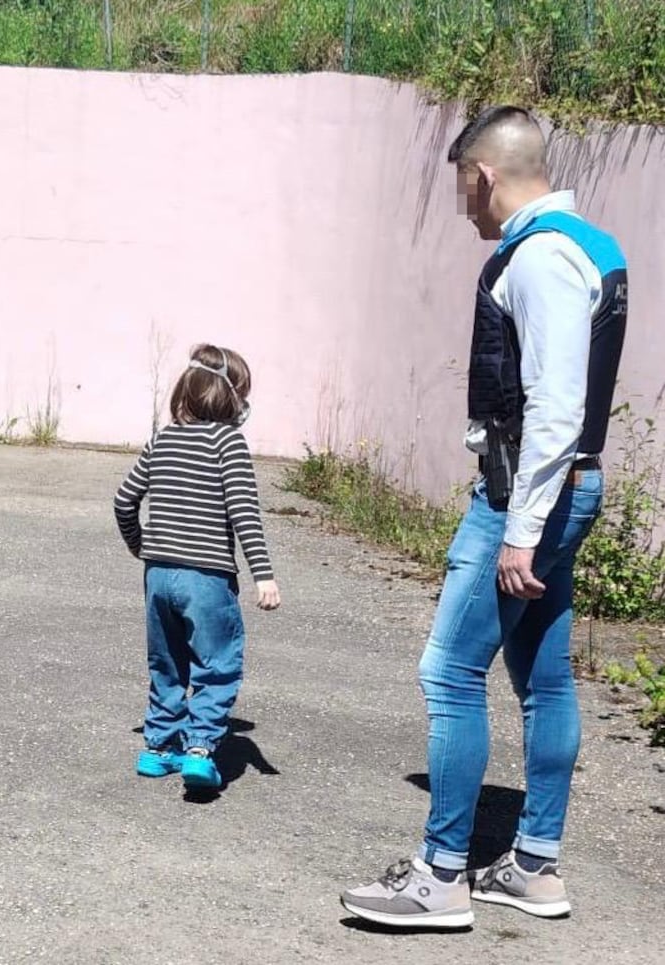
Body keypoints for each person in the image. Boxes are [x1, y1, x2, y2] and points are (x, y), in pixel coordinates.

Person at [341, 107, 627, 928]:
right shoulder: (591, 246)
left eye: (463, 186)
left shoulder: (539, 257)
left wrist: (521, 530)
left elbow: (555, 405)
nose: (463, 205)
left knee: (450, 673)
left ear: (485, 175)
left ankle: (439, 877)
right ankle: (533, 866)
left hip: (524, 496)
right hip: (566, 486)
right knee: (544, 677)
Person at [114, 344, 281, 792]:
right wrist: (263, 574)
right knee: (216, 664)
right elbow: (244, 512)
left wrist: (141, 547)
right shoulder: (228, 442)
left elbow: (124, 500)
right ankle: (200, 750)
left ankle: (157, 748)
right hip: (207, 578)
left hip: (158, 575)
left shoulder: (162, 439)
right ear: (228, 396)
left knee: (167, 663)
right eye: (243, 394)